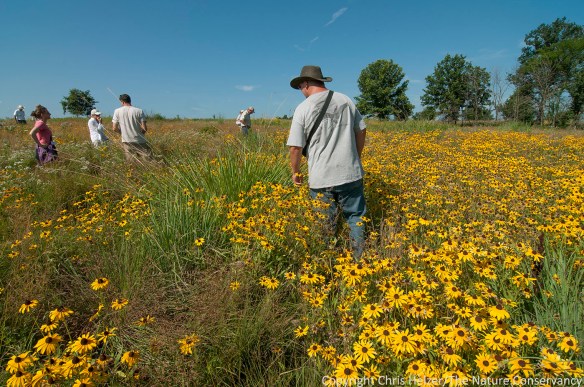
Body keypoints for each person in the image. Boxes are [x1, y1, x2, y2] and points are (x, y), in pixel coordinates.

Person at [286, 65, 367, 258]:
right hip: (351, 172)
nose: (300, 91)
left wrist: (296, 172)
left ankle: (328, 262)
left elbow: (295, 147)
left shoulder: (304, 107)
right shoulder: (345, 100)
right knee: (356, 217)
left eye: (300, 87)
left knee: (324, 224)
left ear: (305, 83)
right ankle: (359, 260)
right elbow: (361, 130)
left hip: (321, 177)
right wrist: (356, 156)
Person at [112, 94, 152, 161]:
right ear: (130, 100)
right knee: (148, 161)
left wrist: (122, 133)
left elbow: (114, 128)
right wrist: (141, 133)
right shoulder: (139, 111)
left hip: (126, 141)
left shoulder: (117, 111)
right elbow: (144, 129)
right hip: (139, 140)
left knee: (131, 164)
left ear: (122, 101)